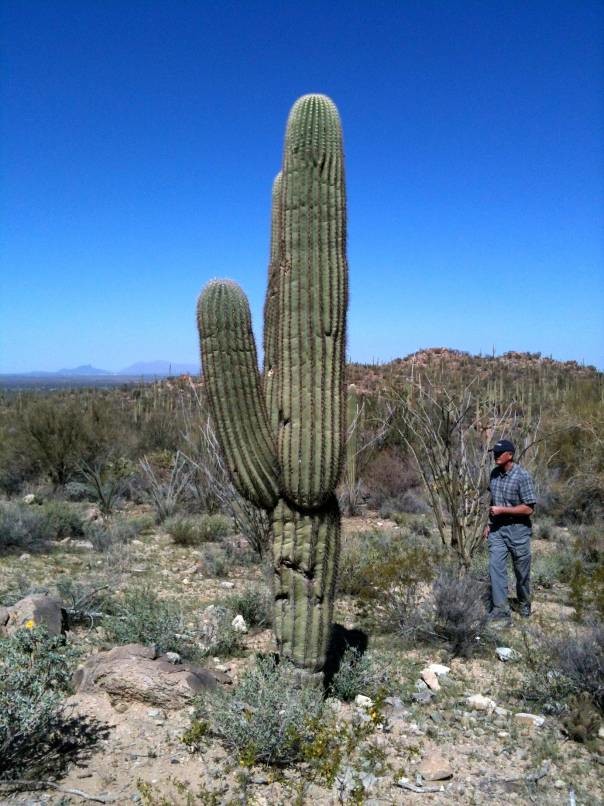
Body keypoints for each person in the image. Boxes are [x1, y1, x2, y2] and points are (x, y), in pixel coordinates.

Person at [484, 439, 537, 625]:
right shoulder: (493, 475)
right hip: (497, 529)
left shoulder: (522, 476)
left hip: (519, 531)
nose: (495, 456)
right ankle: (500, 611)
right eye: (494, 453)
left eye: (499, 453)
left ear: (510, 455)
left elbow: (529, 508)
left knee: (521, 573)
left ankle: (524, 602)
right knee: (495, 568)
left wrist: (503, 510)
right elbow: (492, 502)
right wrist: (488, 524)